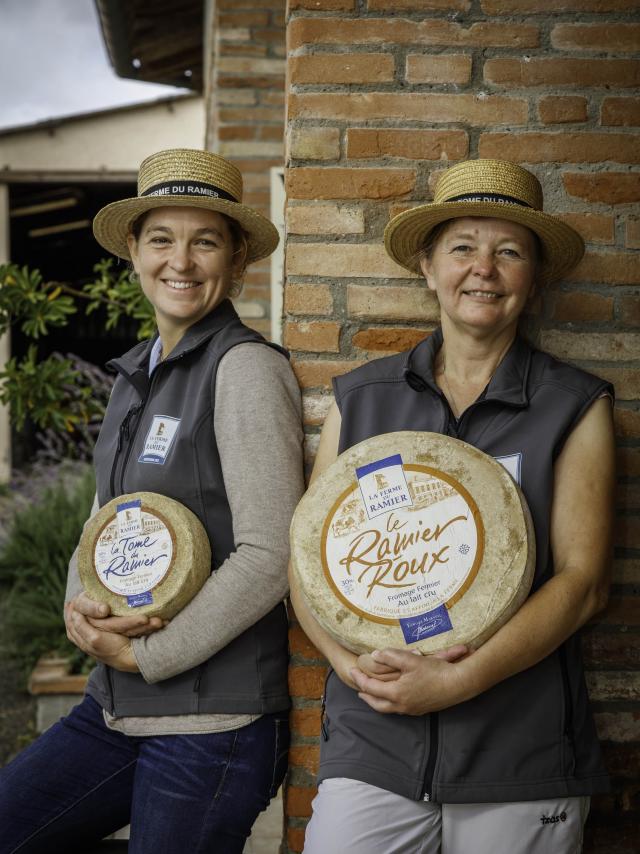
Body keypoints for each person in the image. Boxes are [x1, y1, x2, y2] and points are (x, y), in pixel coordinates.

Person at [290, 159, 615, 854]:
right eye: (463, 248)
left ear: (533, 279)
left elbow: (584, 587)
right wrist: (345, 668)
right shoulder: (364, 398)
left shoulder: (574, 404)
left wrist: (459, 681)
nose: (484, 270)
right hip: (375, 746)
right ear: (427, 267)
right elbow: (308, 558)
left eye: (509, 252)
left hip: (518, 757)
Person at [0, 148, 305, 853]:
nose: (182, 261)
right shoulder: (133, 372)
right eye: (162, 239)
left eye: (206, 242)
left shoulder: (246, 370)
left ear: (236, 261)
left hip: (212, 726)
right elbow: (104, 514)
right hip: (112, 709)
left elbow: (271, 551)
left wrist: (152, 655)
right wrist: (81, 605)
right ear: (133, 251)